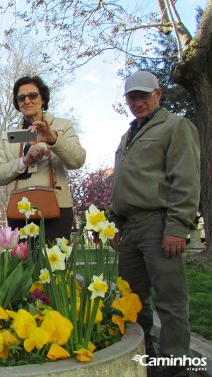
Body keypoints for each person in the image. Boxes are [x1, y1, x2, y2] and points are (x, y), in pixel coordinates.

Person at [110, 71, 200, 377]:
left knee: (171, 302)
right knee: (133, 301)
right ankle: (143, 360)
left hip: (158, 223)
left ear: (158, 94)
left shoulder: (175, 126)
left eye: (144, 96)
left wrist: (177, 227)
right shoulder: (128, 135)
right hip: (130, 229)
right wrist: (116, 225)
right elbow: (124, 184)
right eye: (132, 98)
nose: (138, 102)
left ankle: (175, 369)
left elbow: (186, 179)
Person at [0, 75, 86, 242]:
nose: (27, 101)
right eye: (21, 98)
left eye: (32, 95)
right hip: (19, 211)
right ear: (17, 103)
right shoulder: (10, 136)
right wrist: (24, 161)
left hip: (56, 209)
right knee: (22, 266)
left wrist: (53, 139)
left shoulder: (62, 127)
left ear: (43, 98)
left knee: (53, 265)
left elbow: (77, 160)